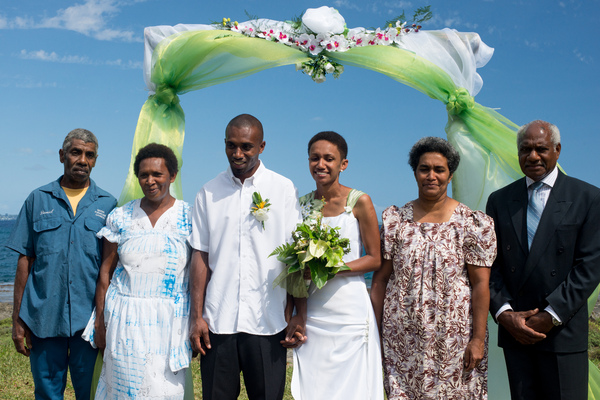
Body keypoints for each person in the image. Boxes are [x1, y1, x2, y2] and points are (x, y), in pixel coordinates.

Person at [188, 114, 305, 400]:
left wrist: (298, 313)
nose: (237, 154)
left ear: (262, 146)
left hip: (268, 321)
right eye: (231, 145)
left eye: (246, 147)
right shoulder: (208, 192)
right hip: (218, 322)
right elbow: (200, 256)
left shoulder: (284, 189)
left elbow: (296, 256)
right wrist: (197, 317)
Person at [371, 136, 496, 399]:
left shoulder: (472, 224)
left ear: (450, 175)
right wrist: (375, 330)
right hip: (401, 337)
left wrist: (477, 339)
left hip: (454, 338)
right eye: (424, 169)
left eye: (439, 170)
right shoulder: (396, 221)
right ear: (414, 172)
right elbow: (381, 279)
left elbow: (481, 284)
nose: (431, 176)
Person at [486, 120, 600, 400]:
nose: (533, 156)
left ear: (557, 150)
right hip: (516, 331)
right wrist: (504, 314)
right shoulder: (500, 200)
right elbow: (490, 265)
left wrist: (550, 316)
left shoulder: (588, 197)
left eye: (541, 149)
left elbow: (590, 266)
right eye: (525, 149)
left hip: (563, 331)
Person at [6, 129, 117, 400]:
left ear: (95, 160)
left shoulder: (108, 204)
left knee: (90, 393)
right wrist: (18, 319)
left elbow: (111, 269)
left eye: (89, 155)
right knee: (46, 393)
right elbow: (25, 260)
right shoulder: (38, 199)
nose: (82, 160)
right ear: (61, 155)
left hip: (89, 323)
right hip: (44, 319)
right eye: (75, 152)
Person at [81, 143, 192, 399]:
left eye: (158, 174)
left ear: (172, 176)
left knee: (164, 392)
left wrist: (196, 321)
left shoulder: (189, 216)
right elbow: (105, 274)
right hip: (124, 322)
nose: (150, 181)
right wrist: (100, 322)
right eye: (144, 175)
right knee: (123, 391)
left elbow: (198, 276)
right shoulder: (121, 217)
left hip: (169, 323)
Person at [290, 131, 384, 399]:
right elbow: (295, 263)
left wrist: (332, 269)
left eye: (329, 159)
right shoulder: (302, 205)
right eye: (314, 158)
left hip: (349, 310)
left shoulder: (359, 201)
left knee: (353, 387)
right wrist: (297, 312)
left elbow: (374, 259)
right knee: (315, 386)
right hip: (314, 310)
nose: (321, 164)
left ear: (343, 164)